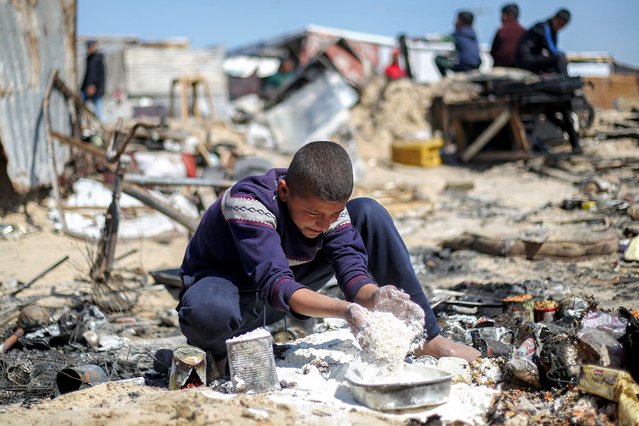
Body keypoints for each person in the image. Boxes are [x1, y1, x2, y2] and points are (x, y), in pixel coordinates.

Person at [177, 141, 480, 374]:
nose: (323, 224)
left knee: (369, 213)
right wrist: (346, 311)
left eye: (333, 214)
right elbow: (277, 284)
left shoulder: (329, 211)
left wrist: (374, 296)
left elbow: (352, 272)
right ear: (284, 191)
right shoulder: (248, 201)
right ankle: (221, 355)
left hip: (284, 296)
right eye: (312, 214)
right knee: (207, 312)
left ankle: (427, 339)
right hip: (233, 294)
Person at [515, 8, 571, 75]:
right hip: (526, 59)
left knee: (556, 62)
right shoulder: (544, 27)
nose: (559, 27)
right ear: (554, 17)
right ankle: (565, 80)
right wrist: (563, 56)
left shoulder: (553, 31)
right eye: (559, 24)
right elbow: (551, 49)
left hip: (533, 58)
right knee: (559, 58)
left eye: (562, 26)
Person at [435, 11, 482, 77]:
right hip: (476, 65)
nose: (455, 22)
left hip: (463, 65)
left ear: (461, 21)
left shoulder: (458, 34)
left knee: (438, 59)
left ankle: (445, 79)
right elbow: (465, 49)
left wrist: (423, 39)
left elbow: (441, 39)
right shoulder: (473, 34)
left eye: (457, 20)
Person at [490, 3, 526, 68]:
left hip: (501, 68)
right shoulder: (524, 32)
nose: (500, 18)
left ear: (507, 15)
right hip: (520, 67)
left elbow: (493, 52)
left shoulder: (501, 31)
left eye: (502, 15)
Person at [80, 39, 105, 119]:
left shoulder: (97, 59)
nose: (89, 48)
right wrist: (82, 88)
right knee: (79, 104)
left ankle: (103, 128)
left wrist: (93, 86)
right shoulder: (89, 59)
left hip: (96, 89)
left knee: (99, 112)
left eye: (91, 46)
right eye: (88, 46)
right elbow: (87, 75)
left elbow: (96, 75)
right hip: (87, 89)